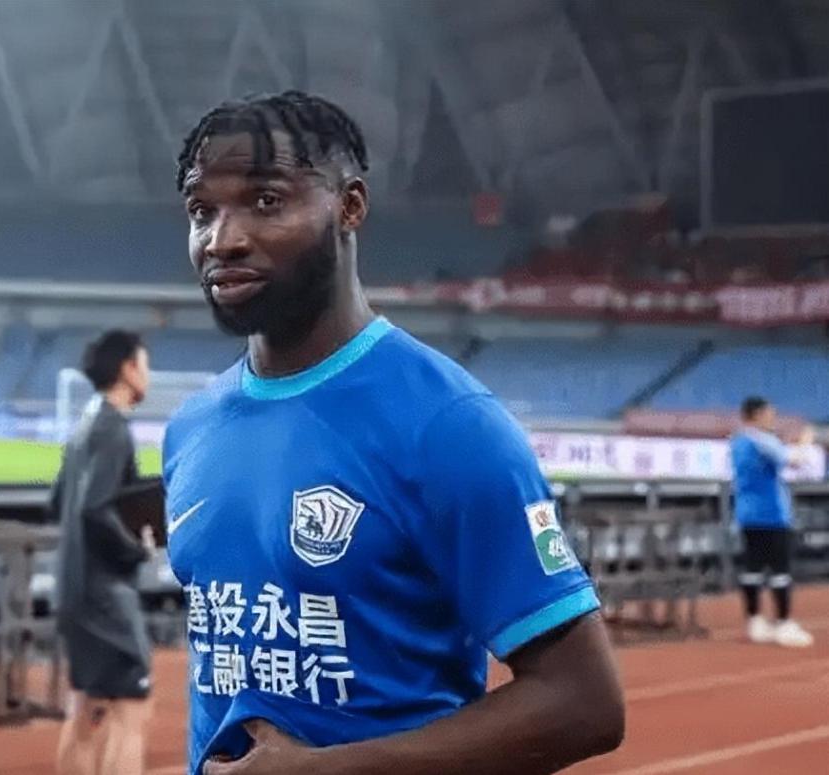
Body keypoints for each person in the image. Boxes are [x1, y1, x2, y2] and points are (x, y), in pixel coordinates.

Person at [162, 91, 624, 774]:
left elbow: (585, 703)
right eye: (202, 210)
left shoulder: (449, 425)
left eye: (266, 201)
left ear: (350, 206)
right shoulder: (191, 428)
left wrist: (325, 771)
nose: (222, 240)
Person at [51, 330, 155, 775]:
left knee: (85, 710)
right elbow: (95, 508)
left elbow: (59, 502)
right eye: (145, 364)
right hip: (105, 596)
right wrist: (136, 549)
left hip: (72, 589)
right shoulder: (113, 427)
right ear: (128, 369)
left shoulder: (83, 427)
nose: (148, 374)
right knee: (132, 712)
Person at [731, 396, 815, 648]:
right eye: (769, 414)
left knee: (753, 568)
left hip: (747, 514)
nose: (772, 419)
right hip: (772, 514)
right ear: (757, 415)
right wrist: (806, 441)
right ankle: (783, 623)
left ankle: (755, 621)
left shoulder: (738, 441)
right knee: (780, 570)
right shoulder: (761, 440)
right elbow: (794, 460)